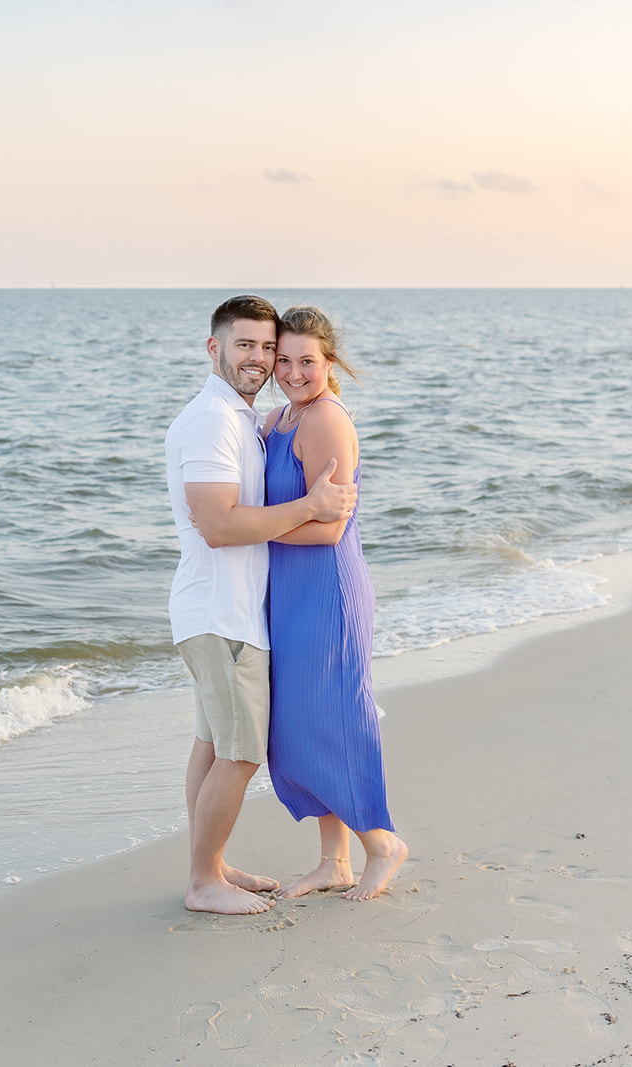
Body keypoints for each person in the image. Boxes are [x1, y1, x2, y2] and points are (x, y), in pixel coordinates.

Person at [165, 295, 357, 915]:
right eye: (244, 345)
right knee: (241, 752)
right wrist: (309, 508)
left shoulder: (243, 418)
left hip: (232, 612)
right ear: (214, 347)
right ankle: (202, 883)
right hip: (221, 614)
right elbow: (217, 525)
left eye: (266, 347)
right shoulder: (211, 422)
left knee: (211, 743)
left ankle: (211, 866)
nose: (259, 358)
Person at [263, 306, 407, 901]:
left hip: (327, 591)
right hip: (291, 591)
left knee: (333, 720)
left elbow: (328, 530)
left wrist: (246, 529)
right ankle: (334, 861)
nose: (295, 372)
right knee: (302, 723)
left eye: (308, 362)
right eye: (284, 360)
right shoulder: (279, 418)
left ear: (330, 362)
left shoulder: (325, 422)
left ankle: (382, 844)